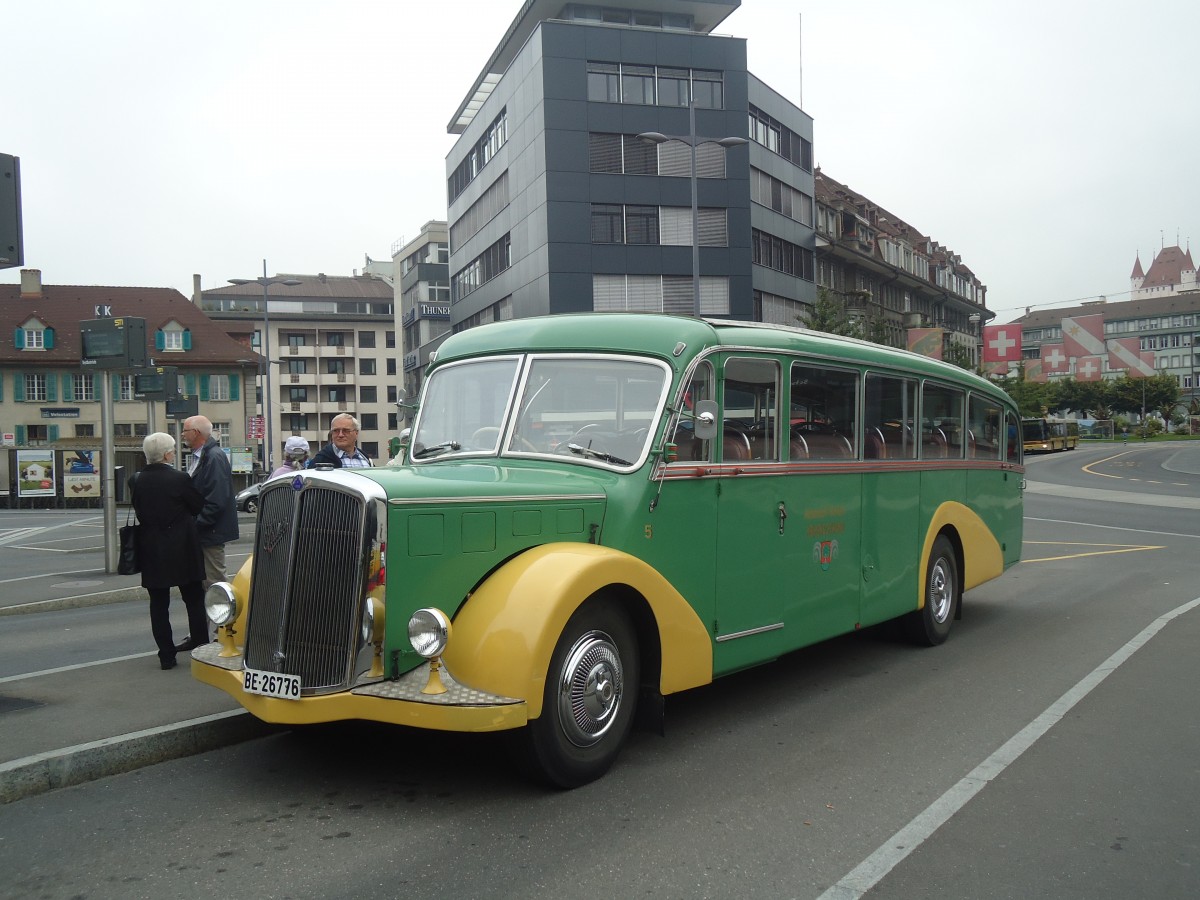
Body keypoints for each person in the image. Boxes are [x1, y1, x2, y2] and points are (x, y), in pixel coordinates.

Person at [131, 433, 209, 670]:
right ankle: (202, 649)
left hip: (152, 548)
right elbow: (197, 505)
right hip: (182, 547)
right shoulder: (180, 478)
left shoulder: (136, 480)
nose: (174, 453)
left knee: (158, 604)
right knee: (193, 599)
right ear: (166, 454)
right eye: (173, 450)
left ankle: (166, 656)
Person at [182, 415, 239, 591]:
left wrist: (197, 524)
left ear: (196, 432)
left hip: (210, 532)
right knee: (206, 583)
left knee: (215, 584)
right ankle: (210, 618)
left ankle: (222, 618)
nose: (182, 435)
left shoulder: (213, 457)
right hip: (206, 531)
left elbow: (217, 499)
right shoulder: (203, 455)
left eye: (185, 431)